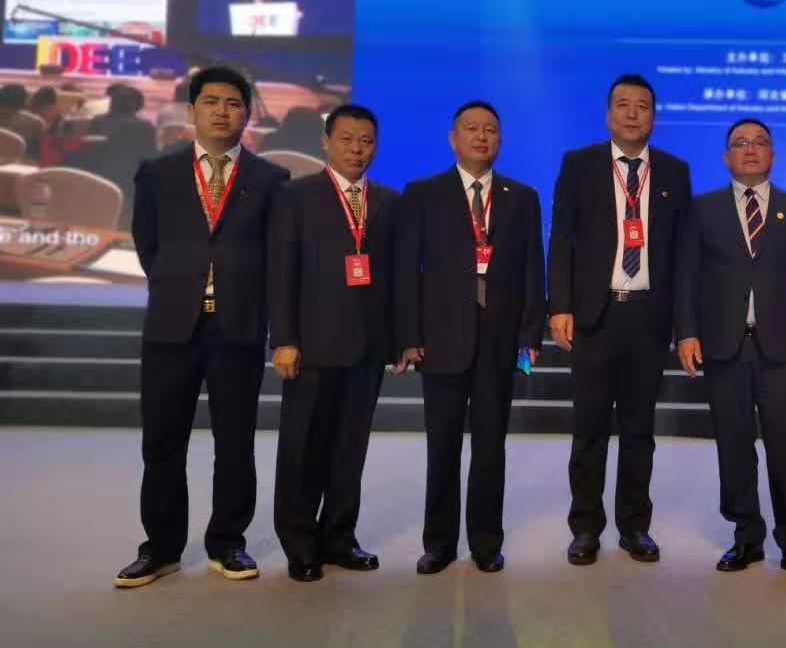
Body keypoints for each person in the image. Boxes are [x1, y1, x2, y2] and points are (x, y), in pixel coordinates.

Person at [114, 66, 290, 588]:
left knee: (234, 443)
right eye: (211, 101)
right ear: (192, 111)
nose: (222, 111)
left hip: (238, 326)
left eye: (233, 103)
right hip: (172, 327)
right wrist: (183, 287)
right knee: (162, 442)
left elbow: (276, 258)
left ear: (247, 114)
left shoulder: (271, 179)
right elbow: (148, 246)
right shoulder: (157, 172)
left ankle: (228, 542)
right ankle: (161, 548)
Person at [675, 119, 786, 585]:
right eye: (740, 144)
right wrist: (686, 333)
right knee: (734, 446)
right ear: (726, 157)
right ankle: (746, 535)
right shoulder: (702, 209)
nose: (750, 149)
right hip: (723, 345)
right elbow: (686, 276)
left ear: (773, 156)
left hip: (782, 348)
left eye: (760, 143)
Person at [394, 101, 545, 575]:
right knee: (442, 447)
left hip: (499, 342)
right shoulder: (424, 194)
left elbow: (532, 269)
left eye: (491, 130)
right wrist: (409, 335)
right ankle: (439, 544)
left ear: (500, 140)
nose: (482, 137)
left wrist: (530, 334)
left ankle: (485, 542)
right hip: (441, 341)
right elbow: (406, 270)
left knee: (490, 447)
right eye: (472, 129)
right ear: (453, 138)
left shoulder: (522, 197)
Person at [549, 74, 693, 566]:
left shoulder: (674, 171)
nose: (633, 114)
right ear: (608, 113)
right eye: (623, 105)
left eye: (642, 106)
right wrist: (560, 305)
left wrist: (684, 324)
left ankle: (634, 526)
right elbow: (561, 241)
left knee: (638, 430)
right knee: (589, 428)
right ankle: (585, 527)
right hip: (596, 314)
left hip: (649, 318)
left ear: (655, 116)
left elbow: (683, 255)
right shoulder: (580, 164)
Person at [267, 104, 398, 582]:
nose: (356, 149)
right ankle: (300, 544)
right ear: (326, 142)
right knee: (303, 449)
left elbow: (398, 277)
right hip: (312, 346)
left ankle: (340, 538)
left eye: (366, 141)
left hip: (368, 347)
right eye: (346, 139)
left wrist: (400, 339)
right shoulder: (295, 196)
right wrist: (284, 338)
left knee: (349, 449)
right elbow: (281, 272)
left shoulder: (389, 201)